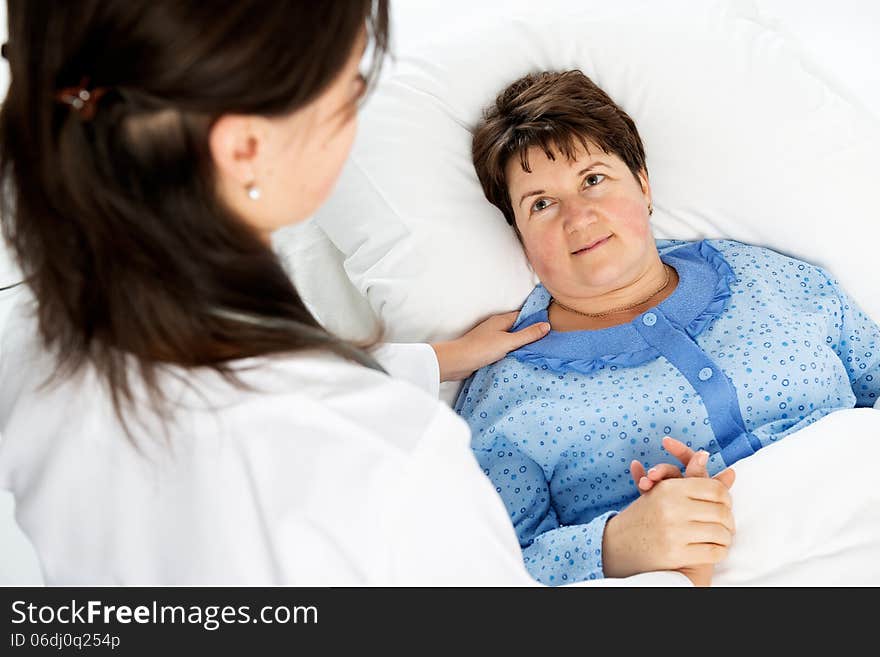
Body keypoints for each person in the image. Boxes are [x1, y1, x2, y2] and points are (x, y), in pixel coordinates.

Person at [0, 0, 576, 586]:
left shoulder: (31, 337)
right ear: (247, 148)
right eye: (350, 92)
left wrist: (434, 359)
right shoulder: (391, 459)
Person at [457, 69, 880, 586]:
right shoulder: (507, 399)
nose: (578, 217)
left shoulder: (767, 276)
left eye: (592, 179)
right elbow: (489, 569)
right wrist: (619, 543)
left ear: (643, 185)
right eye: (541, 204)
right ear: (520, 236)